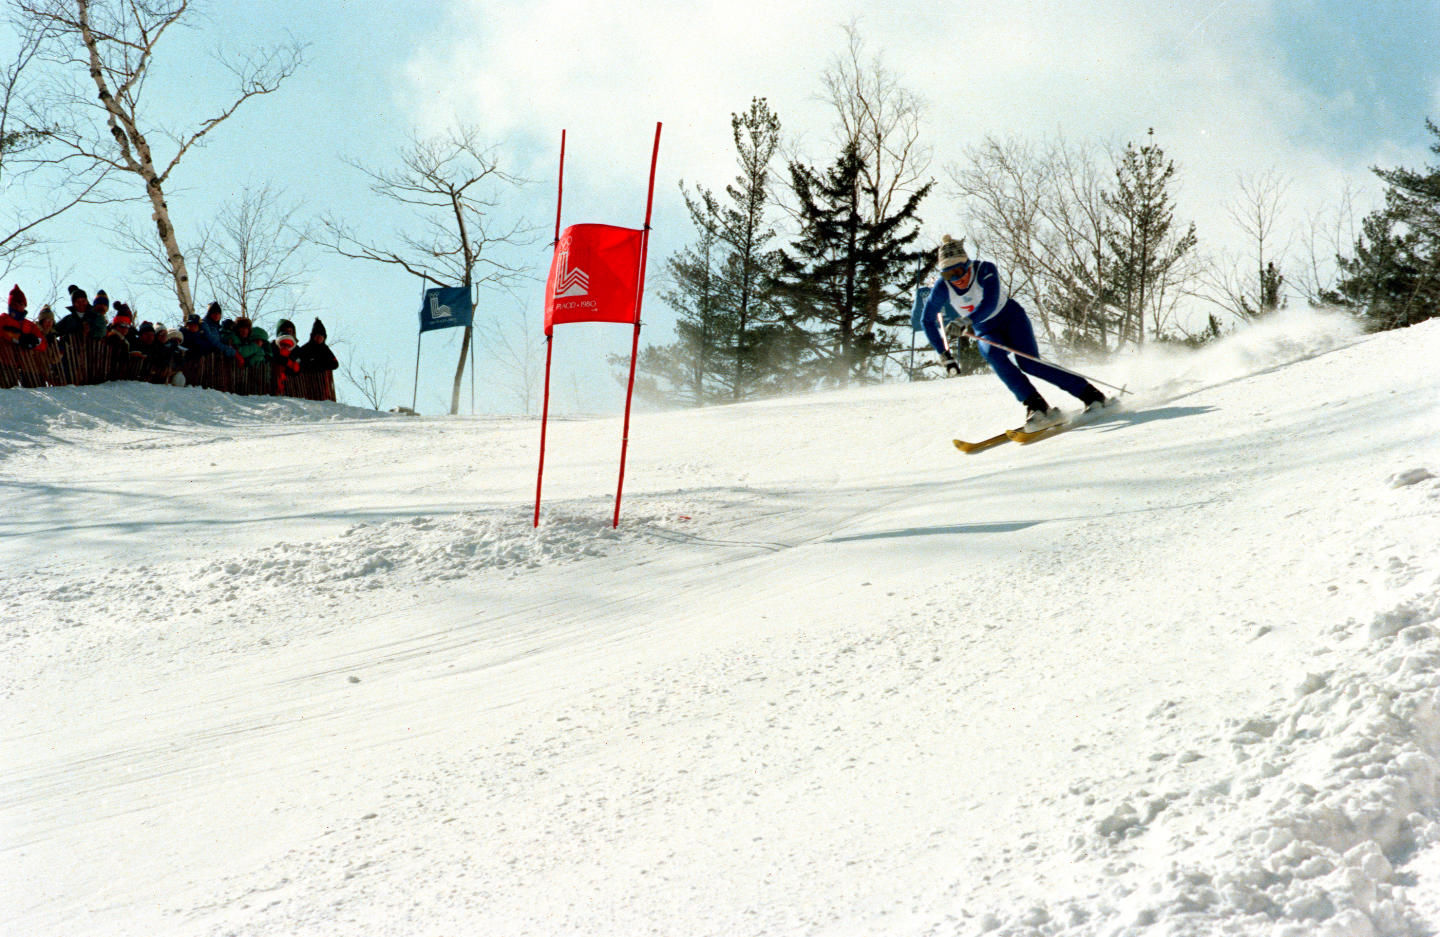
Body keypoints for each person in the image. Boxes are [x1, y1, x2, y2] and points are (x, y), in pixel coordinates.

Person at [919, 236, 1107, 430]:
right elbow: (926, 319)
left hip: (1011, 319)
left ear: (967, 264)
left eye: (959, 271)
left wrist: (966, 320)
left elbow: (989, 303)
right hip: (985, 329)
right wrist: (944, 354)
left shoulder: (985, 270)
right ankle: (1036, 407)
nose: (957, 279)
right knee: (992, 355)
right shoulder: (942, 287)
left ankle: (1091, 395)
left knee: (1030, 363)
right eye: (949, 275)